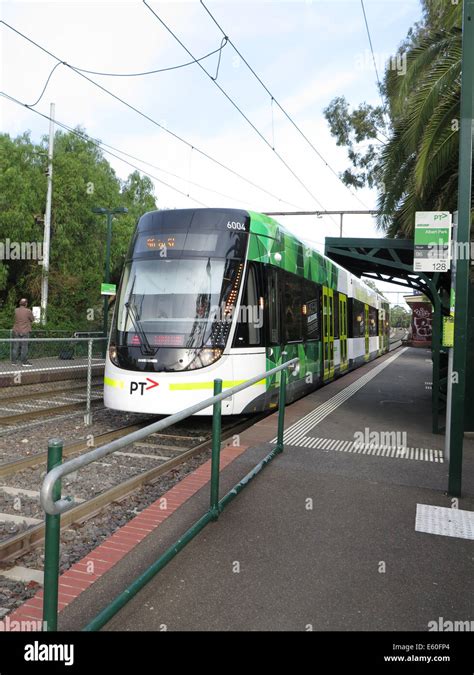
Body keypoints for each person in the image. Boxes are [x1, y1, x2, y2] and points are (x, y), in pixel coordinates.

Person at [12, 298, 34, 366]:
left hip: (16, 330)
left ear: (20, 303)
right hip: (25, 331)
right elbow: (32, 319)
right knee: (24, 347)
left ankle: (14, 362)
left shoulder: (16, 310)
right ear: (26, 303)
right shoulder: (28, 311)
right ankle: (24, 362)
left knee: (16, 346)